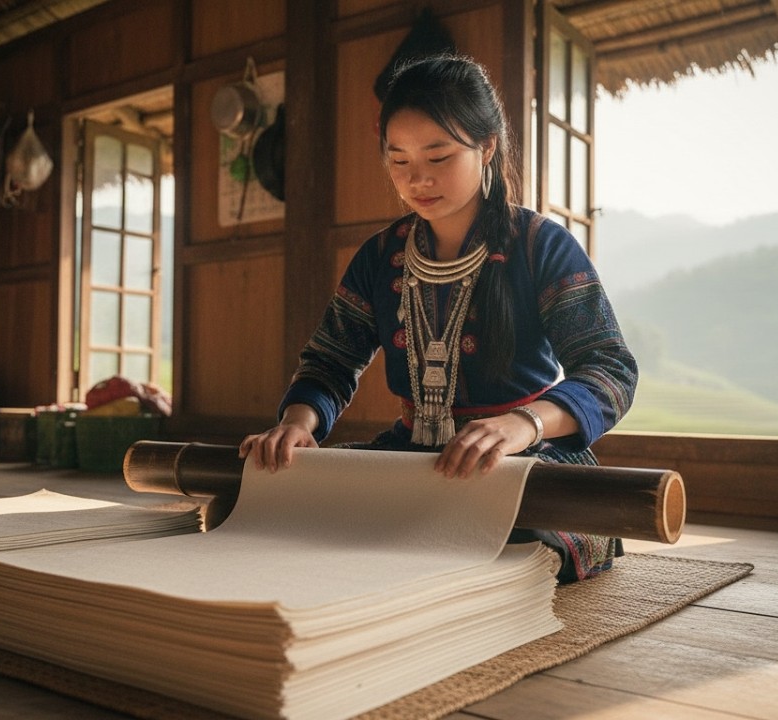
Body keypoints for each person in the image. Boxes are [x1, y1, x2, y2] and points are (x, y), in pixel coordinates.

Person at [238, 54, 639, 583]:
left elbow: (610, 370)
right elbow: (330, 362)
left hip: (521, 465)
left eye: (439, 156)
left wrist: (524, 424)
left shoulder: (542, 245)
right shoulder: (380, 256)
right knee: (256, 498)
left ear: (487, 146)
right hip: (411, 460)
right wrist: (296, 426)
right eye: (399, 161)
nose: (417, 180)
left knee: (513, 538)